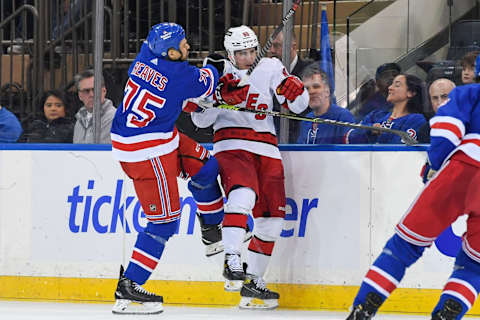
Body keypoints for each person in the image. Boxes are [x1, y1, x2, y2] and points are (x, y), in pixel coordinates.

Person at [109, 22, 246, 314]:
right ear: (169, 52)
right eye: (183, 44)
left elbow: (175, 96)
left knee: (208, 168)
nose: (188, 46)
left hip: (156, 134)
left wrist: (194, 102)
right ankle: (129, 287)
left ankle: (211, 230)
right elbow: (208, 78)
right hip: (146, 150)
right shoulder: (178, 74)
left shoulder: (145, 55)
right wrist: (218, 66)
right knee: (164, 223)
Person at [191, 25, 308, 310]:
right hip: (232, 145)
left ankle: (253, 281)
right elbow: (200, 122)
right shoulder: (215, 70)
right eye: (241, 52)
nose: (247, 56)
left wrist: (296, 90)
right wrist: (216, 99)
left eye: (251, 50)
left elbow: (298, 105)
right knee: (243, 196)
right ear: (230, 53)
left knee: (272, 221)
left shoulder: (270, 66)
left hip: (267, 149)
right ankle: (232, 259)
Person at [345, 82, 480, 320]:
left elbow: (447, 130)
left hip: (463, 169)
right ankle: (448, 313)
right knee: (475, 264)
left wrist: (434, 166)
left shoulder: (471, 92)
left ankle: (364, 306)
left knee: (404, 246)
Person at [345, 74, 426, 144]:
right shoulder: (376, 114)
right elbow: (350, 138)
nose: (390, 87)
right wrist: (370, 130)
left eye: (397, 85)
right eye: (391, 84)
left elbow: (398, 150)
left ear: (411, 93)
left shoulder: (416, 120)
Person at [268, 30, 311, 143]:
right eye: (270, 45)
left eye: (276, 46)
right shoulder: (264, 73)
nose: (271, 50)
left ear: (293, 47)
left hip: (299, 145)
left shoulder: (310, 70)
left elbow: (310, 112)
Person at [297, 63, 354, 144]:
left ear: (327, 91)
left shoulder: (343, 117)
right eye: (306, 88)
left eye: (316, 86)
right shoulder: (306, 120)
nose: (311, 92)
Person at [72, 69, 116, 144]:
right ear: (80, 95)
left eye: (95, 89)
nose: (91, 95)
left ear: (104, 91)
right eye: (86, 91)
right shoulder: (79, 120)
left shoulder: (115, 118)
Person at [417, 78, 456, 143]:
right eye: (435, 98)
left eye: (444, 96)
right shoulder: (426, 130)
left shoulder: (472, 124)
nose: (439, 102)